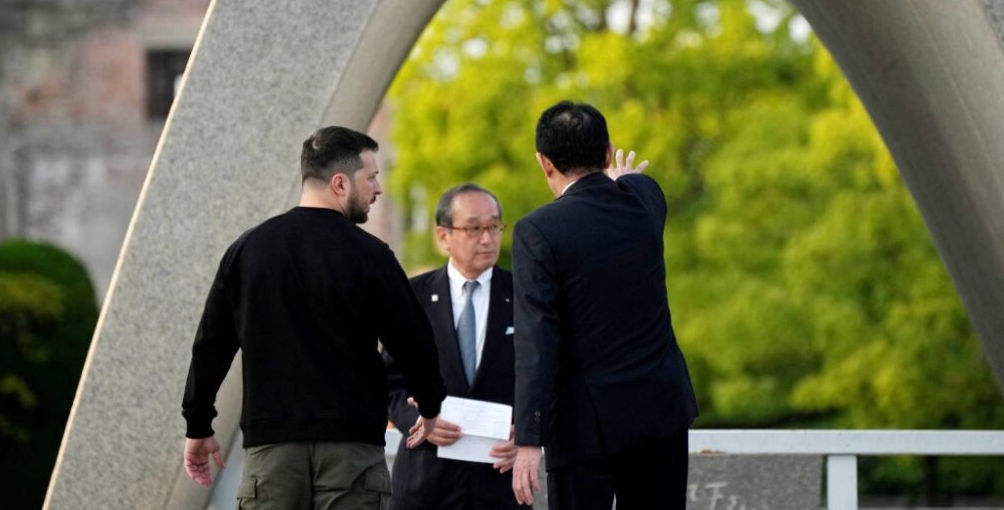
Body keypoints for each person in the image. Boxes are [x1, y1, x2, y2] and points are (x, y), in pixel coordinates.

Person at [180, 126, 447, 510]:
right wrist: (431, 405)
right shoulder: (372, 255)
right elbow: (413, 341)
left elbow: (212, 345)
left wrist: (198, 424)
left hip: (271, 448)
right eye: (371, 177)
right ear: (340, 183)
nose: (378, 189)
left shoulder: (248, 250)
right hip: (352, 450)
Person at [510, 101, 698, 509]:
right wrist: (621, 180)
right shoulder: (645, 201)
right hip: (660, 415)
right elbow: (635, 184)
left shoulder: (538, 231)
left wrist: (528, 437)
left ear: (544, 162)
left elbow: (535, 341)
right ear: (608, 151)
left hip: (583, 428)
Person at [385, 184, 519, 509]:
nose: (487, 238)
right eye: (474, 228)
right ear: (443, 236)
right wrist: (420, 421)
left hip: (500, 482)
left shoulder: (525, 295)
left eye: (494, 226)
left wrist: (529, 434)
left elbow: (552, 376)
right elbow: (389, 383)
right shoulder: (413, 295)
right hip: (426, 482)